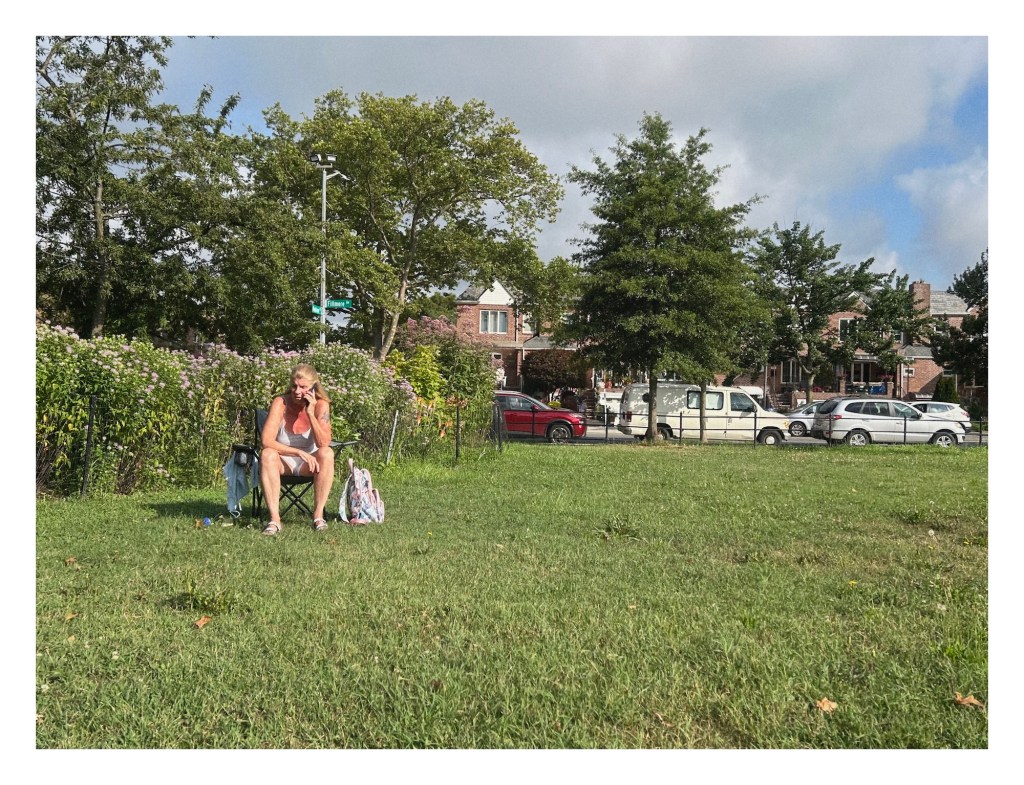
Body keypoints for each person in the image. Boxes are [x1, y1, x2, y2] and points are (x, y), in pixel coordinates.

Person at [258, 363, 334, 535]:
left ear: (313, 387)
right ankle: (275, 519)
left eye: (303, 387)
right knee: (267, 454)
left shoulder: (322, 406)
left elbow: (324, 443)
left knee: (327, 453)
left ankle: (318, 516)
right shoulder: (280, 402)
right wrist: (299, 452)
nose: (297, 391)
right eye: (294, 386)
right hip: (283, 461)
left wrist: (310, 413)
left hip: (310, 465)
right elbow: (267, 441)